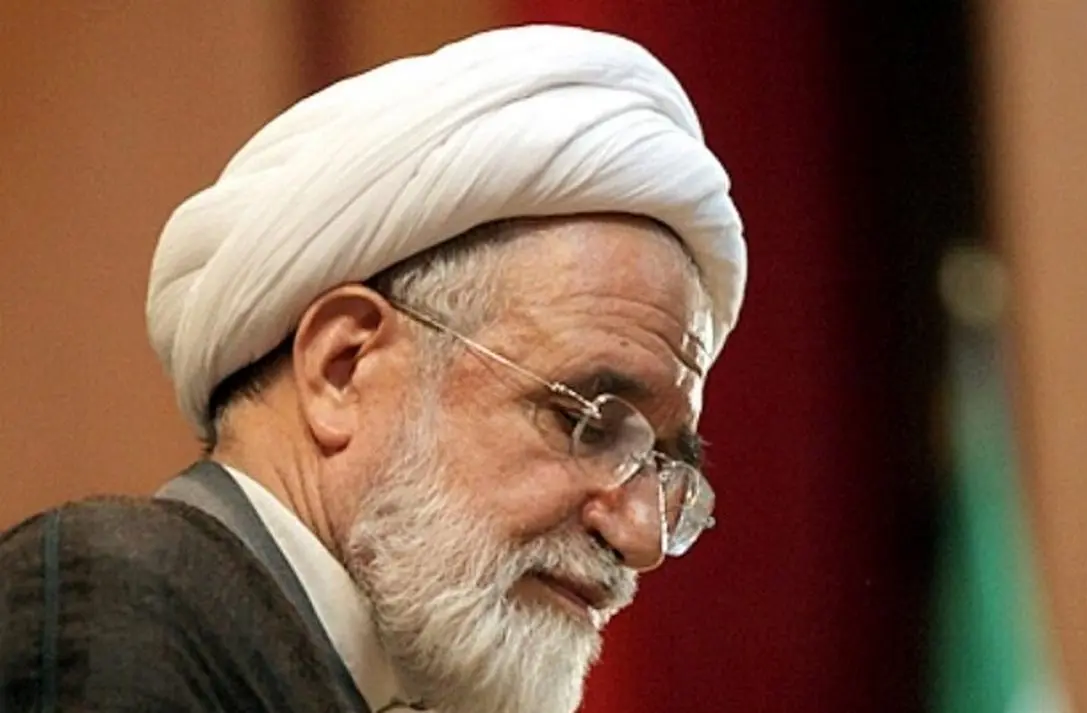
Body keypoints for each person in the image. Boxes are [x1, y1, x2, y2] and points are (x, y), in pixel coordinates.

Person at [0, 23, 746, 713]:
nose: (640, 535)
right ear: (342, 368)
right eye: (586, 421)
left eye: (661, 468)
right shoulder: (119, 609)